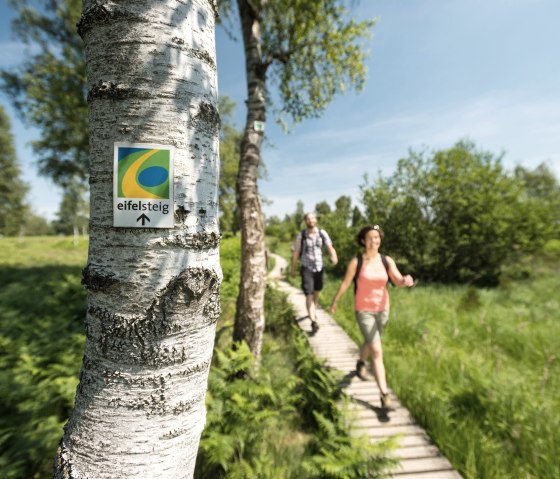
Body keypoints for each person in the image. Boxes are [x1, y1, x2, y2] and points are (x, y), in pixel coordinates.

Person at [330, 225, 414, 409]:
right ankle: (384, 395)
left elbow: (397, 280)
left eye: (376, 237)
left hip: (383, 309)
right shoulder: (357, 261)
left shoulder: (386, 260)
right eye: (369, 238)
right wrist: (335, 300)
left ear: (380, 240)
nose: (373, 241)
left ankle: (360, 362)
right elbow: (345, 282)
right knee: (376, 350)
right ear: (363, 240)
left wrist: (404, 281)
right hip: (364, 310)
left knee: (370, 342)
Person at [290, 212, 338, 333]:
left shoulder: (322, 233)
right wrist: (293, 268)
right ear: (305, 221)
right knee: (309, 294)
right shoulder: (301, 236)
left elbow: (330, 247)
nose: (311, 221)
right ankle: (313, 321)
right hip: (306, 268)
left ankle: (313, 309)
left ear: (315, 220)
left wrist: (334, 256)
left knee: (317, 292)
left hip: (319, 267)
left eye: (312, 218)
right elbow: (296, 252)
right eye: (308, 219)